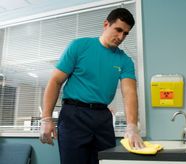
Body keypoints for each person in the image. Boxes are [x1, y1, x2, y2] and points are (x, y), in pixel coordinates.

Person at [39, 7, 144, 164]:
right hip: (74, 115)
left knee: (105, 161)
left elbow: (129, 93)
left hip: (102, 117)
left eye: (126, 33)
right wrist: (46, 119)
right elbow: (55, 81)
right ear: (106, 24)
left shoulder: (125, 61)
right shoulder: (79, 46)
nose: (121, 37)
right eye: (118, 30)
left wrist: (132, 126)